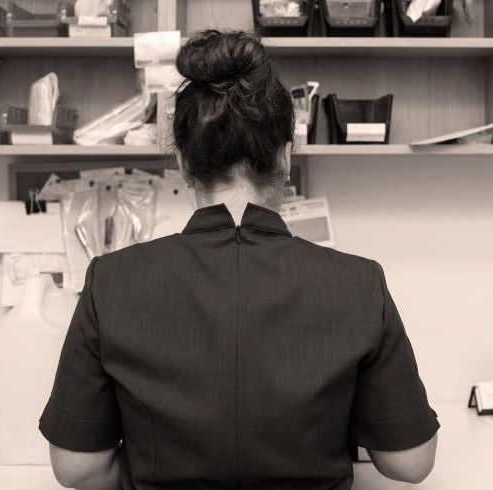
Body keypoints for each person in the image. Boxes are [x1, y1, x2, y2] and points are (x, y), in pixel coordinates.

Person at [39, 29, 438, 490]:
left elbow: (77, 468)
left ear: (184, 166)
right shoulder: (358, 283)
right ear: (286, 158)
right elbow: (410, 463)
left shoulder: (111, 282)